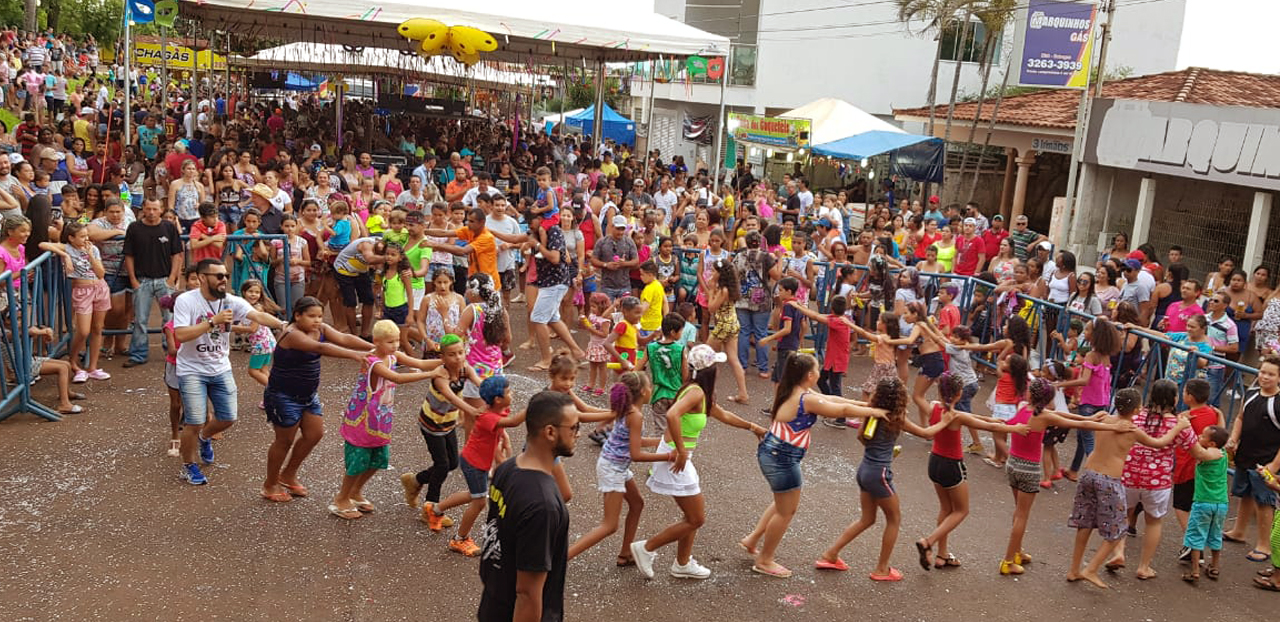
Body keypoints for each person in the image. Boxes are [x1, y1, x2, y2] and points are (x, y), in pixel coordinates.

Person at [742, 353, 888, 578]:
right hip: (782, 457)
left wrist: (865, 404)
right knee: (786, 510)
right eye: (818, 370)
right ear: (810, 375)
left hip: (774, 451)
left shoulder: (798, 390)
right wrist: (873, 411)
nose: (819, 373)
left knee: (781, 504)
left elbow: (834, 400)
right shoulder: (805, 398)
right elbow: (841, 411)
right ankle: (764, 560)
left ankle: (753, 539)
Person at [631, 344, 766, 580]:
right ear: (709, 370)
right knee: (696, 518)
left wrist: (752, 427)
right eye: (716, 366)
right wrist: (682, 452)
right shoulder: (695, 392)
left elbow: (722, 414)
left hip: (678, 455)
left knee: (691, 517)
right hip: (674, 457)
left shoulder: (699, 392)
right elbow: (672, 415)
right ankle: (646, 548)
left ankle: (682, 564)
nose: (719, 370)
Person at [172, 259, 285, 485]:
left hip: (220, 367)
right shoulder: (186, 300)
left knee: (228, 418)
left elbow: (257, 316)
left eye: (225, 275)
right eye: (218, 276)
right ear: (203, 278)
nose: (224, 279)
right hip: (192, 369)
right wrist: (212, 322)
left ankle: (205, 438)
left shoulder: (232, 300)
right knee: (193, 421)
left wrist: (283, 325)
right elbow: (181, 335)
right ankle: (189, 466)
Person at [1064, 387, 1189, 589]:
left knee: (1084, 522)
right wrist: (1179, 426)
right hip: (1109, 481)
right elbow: (1159, 443)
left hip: (1089, 473)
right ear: (1138, 409)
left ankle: (1074, 569)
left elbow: (1086, 423)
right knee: (1119, 528)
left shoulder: (1105, 419)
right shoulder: (1131, 429)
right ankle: (1091, 569)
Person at [477, 390, 576, 622]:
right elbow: (527, 593)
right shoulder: (543, 506)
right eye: (573, 428)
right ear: (550, 432)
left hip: (493, 600)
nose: (578, 434)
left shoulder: (507, 469)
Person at [261, 296, 372, 502]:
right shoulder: (291, 334)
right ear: (297, 316)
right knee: (284, 441)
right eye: (312, 316)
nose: (317, 320)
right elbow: (321, 348)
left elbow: (344, 338)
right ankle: (270, 484)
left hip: (308, 394)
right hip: (283, 395)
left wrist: (371, 348)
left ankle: (288, 474)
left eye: (320, 316)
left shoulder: (320, 329)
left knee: (315, 434)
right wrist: (355, 356)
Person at [332, 320, 442, 519]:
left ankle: (355, 491)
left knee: (379, 459)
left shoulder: (393, 356)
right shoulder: (373, 362)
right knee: (358, 460)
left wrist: (448, 361)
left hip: (380, 420)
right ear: (376, 342)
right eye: (390, 342)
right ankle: (341, 498)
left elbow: (420, 363)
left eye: (397, 340)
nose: (395, 345)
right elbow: (397, 378)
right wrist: (432, 374)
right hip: (363, 419)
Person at [567, 373, 669, 565]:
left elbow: (634, 442)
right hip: (613, 468)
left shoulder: (628, 410)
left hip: (614, 464)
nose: (652, 389)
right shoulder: (635, 415)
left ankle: (625, 554)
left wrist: (663, 441)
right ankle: (560, 561)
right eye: (650, 386)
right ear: (642, 392)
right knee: (609, 525)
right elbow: (636, 454)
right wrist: (668, 456)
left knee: (637, 504)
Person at [432, 376, 526, 557]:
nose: (512, 394)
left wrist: (503, 439)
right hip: (474, 463)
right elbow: (513, 422)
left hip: (475, 460)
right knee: (479, 501)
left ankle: (436, 509)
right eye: (508, 392)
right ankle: (459, 539)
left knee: (473, 495)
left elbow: (502, 426)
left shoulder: (497, 409)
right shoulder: (488, 416)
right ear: (498, 399)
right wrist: (534, 406)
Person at [1223, 354, 1280, 562]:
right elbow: (1240, 418)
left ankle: (1264, 544)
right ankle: (1239, 530)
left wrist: (1274, 466)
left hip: (1266, 459)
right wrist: (1233, 439)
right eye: (1263, 372)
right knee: (1244, 493)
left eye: (1271, 374)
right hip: (1245, 453)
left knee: (1264, 501)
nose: (1265, 377)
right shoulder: (1251, 393)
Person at [123, 199, 183, 368]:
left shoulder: (169, 227)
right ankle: (138, 353)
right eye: (148, 209)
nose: (151, 212)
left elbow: (177, 254)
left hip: (165, 279)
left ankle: (171, 350)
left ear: (161, 210)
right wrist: (133, 279)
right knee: (140, 319)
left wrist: (172, 278)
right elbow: (129, 255)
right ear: (143, 209)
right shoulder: (134, 228)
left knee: (169, 318)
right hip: (142, 280)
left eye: (155, 209)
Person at [1180, 424, 1232, 583]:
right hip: (1221, 503)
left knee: (1196, 535)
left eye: (1202, 436)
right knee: (1216, 534)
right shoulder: (1224, 454)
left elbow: (1194, 449)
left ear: (1211, 444)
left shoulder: (1204, 457)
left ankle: (1195, 570)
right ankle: (1215, 566)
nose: (1199, 438)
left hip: (1203, 502)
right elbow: (1222, 435)